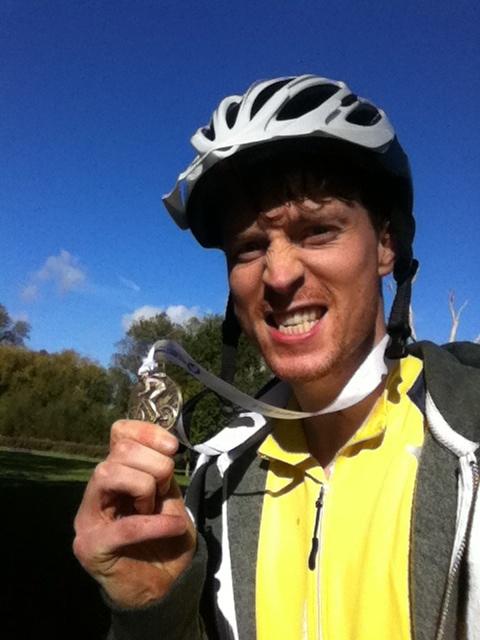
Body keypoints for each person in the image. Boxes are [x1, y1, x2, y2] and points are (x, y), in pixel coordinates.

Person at [73, 75, 480, 640]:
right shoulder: (214, 479)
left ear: (387, 245)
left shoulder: (468, 440)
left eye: (317, 231)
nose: (279, 274)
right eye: (249, 247)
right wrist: (155, 608)